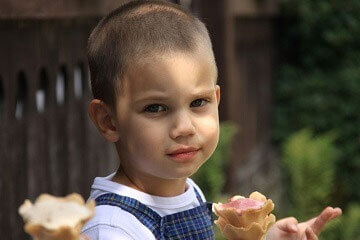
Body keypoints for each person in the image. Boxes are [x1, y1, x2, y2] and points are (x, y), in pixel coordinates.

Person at [81, 1, 341, 239]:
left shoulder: (189, 193)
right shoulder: (113, 228)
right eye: (156, 108)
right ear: (109, 121)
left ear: (216, 99)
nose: (184, 128)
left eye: (197, 103)